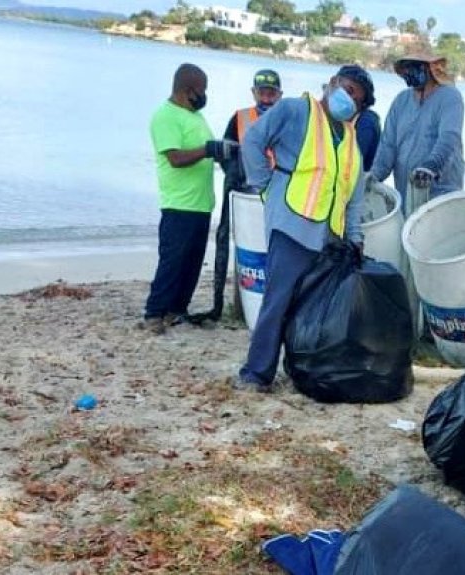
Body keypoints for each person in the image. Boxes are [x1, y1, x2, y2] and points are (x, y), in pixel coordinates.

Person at [236, 66, 369, 392]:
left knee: (313, 306)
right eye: (349, 90)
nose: (350, 100)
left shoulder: (350, 139)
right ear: (333, 83)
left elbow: (354, 195)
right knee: (277, 302)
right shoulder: (294, 110)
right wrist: (265, 186)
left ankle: (302, 368)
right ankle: (256, 374)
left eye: (357, 99)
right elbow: (253, 141)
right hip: (293, 225)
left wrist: (355, 238)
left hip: (329, 236)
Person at [143, 63, 232, 334]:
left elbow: (205, 151)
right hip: (178, 204)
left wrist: (221, 152)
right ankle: (154, 313)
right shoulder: (166, 116)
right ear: (188, 90)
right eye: (202, 91)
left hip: (201, 204)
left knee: (192, 263)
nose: (204, 96)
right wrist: (207, 150)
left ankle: (177, 310)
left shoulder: (196, 116)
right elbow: (175, 158)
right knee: (172, 261)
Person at [190, 69, 283, 323]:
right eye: (262, 93)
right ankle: (240, 305)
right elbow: (226, 152)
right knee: (246, 248)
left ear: (279, 95)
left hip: (279, 193)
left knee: (274, 249)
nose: (266, 98)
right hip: (245, 195)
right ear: (254, 92)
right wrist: (237, 176)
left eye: (271, 93)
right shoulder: (240, 118)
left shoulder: (287, 118)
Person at [370, 53, 465, 204]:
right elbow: (388, 145)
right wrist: (373, 177)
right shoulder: (401, 100)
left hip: (440, 193)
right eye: (406, 68)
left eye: (414, 67)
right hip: (406, 193)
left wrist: (431, 166)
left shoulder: (450, 97)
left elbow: (449, 136)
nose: (408, 72)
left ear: (430, 69)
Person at [336, 64, 381, 170]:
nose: (348, 99)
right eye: (348, 91)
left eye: (356, 101)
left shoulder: (366, 122)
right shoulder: (323, 114)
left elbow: (349, 165)